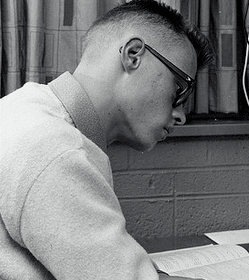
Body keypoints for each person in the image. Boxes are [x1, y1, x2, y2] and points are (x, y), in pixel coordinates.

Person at [0, 0, 214, 279]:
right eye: (179, 89)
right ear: (133, 55)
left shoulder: (25, 106)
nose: (180, 115)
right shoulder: (57, 151)